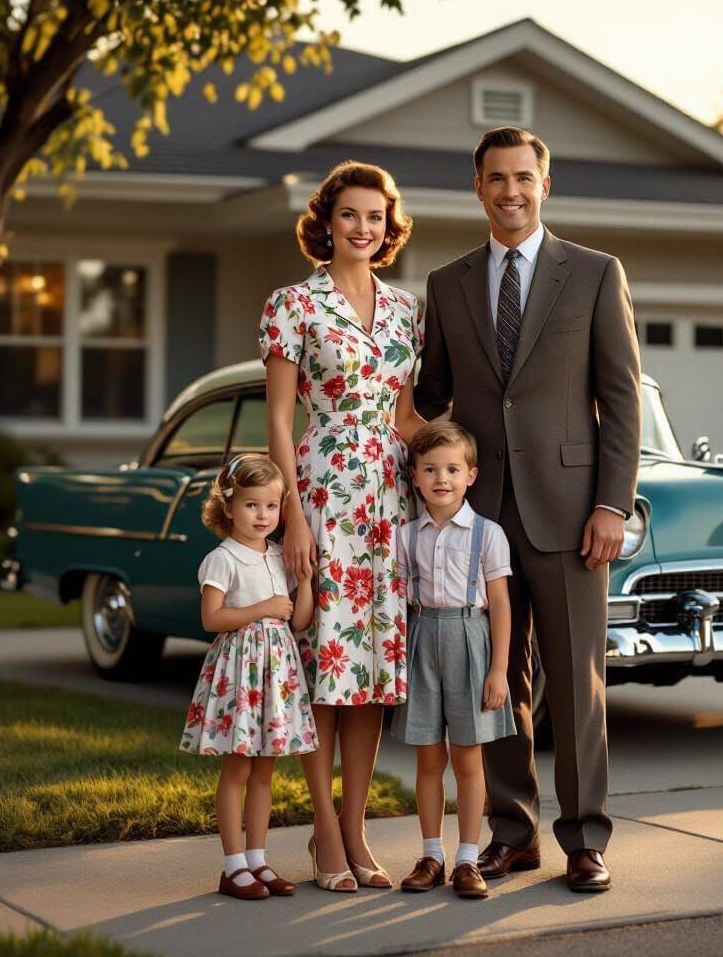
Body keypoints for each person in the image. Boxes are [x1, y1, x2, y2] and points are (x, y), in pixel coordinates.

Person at [415, 127, 642, 892]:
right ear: (476, 187)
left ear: (545, 185)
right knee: (496, 676)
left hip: (575, 513)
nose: (510, 190)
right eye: (496, 178)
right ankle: (513, 834)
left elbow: (620, 397)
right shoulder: (447, 284)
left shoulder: (595, 273)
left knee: (577, 682)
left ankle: (584, 839)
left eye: (523, 177)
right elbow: (431, 396)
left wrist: (612, 502)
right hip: (481, 518)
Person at [261, 161, 424, 892]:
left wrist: (459, 458)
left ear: (389, 229)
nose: (364, 228)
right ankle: (324, 836)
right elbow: (277, 419)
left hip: (389, 505)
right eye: (350, 215)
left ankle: (356, 833)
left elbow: (404, 416)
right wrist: (293, 515)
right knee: (325, 674)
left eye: (376, 218)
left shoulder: (406, 311)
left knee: (371, 677)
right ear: (327, 222)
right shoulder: (292, 305)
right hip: (323, 496)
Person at [180, 453, 317, 900]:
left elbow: (298, 622)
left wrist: (306, 581)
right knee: (237, 769)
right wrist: (261, 610)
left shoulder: (279, 555)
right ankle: (233, 866)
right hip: (240, 673)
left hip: (275, 674)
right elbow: (211, 619)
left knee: (265, 773)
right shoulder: (223, 559)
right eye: (251, 505)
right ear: (229, 507)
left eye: (271, 506)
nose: (262, 515)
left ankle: (258, 860)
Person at [392, 421, 515, 899]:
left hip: (470, 639)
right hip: (422, 637)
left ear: (471, 475)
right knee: (428, 758)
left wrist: (499, 668)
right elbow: (399, 601)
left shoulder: (488, 535)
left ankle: (467, 859)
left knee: (468, 758)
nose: (441, 478)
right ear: (415, 478)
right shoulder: (406, 536)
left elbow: (500, 603)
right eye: (430, 469)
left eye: (451, 469)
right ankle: (430, 855)